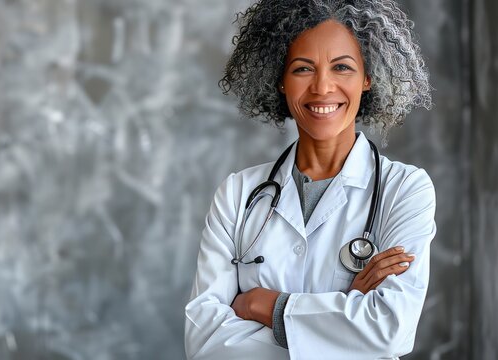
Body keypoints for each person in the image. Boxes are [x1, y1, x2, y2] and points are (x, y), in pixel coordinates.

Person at [184, 0, 436, 359]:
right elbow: (204, 343)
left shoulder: (406, 190)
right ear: (281, 81)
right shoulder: (238, 194)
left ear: (368, 78)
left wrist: (265, 306)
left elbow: (390, 330)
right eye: (303, 69)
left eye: (342, 67)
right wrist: (346, 315)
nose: (322, 87)